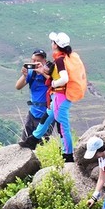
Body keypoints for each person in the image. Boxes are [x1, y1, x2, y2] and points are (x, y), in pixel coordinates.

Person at [22, 31, 76, 162]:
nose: (51, 44)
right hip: (58, 96)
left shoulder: (60, 60)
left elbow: (64, 78)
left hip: (60, 95)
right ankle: (33, 140)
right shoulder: (65, 57)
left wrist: (53, 83)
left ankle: (68, 155)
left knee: (63, 126)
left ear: (56, 45)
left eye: (53, 42)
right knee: (46, 118)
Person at [15, 49, 52, 146]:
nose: (34, 63)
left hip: (46, 114)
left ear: (44, 61)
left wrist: (43, 72)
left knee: (43, 143)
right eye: (32, 60)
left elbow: (55, 83)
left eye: (37, 61)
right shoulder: (32, 73)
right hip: (32, 112)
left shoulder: (50, 72)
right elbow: (18, 86)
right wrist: (24, 75)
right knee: (25, 141)